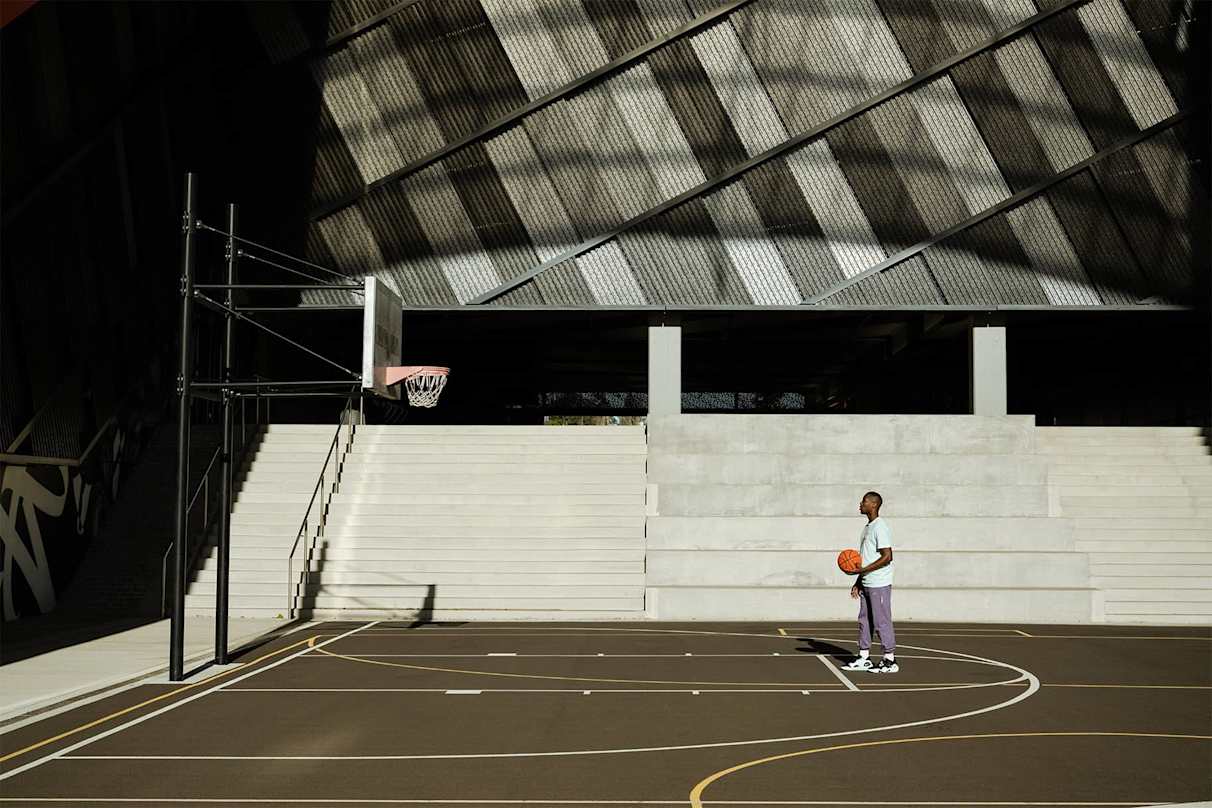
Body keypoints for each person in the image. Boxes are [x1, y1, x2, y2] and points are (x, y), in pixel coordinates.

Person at [842, 491, 897, 673]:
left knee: (881, 620)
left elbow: (887, 556)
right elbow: (865, 558)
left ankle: (890, 659)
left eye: (864, 501)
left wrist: (862, 571)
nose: (860, 504)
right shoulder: (868, 527)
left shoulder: (880, 526)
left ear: (873, 505)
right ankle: (863, 657)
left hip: (879, 583)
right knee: (864, 620)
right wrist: (859, 580)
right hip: (867, 581)